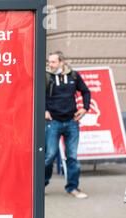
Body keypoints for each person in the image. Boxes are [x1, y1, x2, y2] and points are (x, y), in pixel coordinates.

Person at [45, 51, 91, 198]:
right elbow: (37, 94)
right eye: (49, 62)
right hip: (53, 122)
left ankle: (73, 188)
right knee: (49, 156)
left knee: (72, 157)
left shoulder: (73, 76)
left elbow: (86, 92)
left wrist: (85, 108)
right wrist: (44, 110)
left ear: (61, 62)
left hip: (71, 121)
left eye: (53, 62)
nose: (50, 65)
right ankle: (41, 186)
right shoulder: (46, 76)